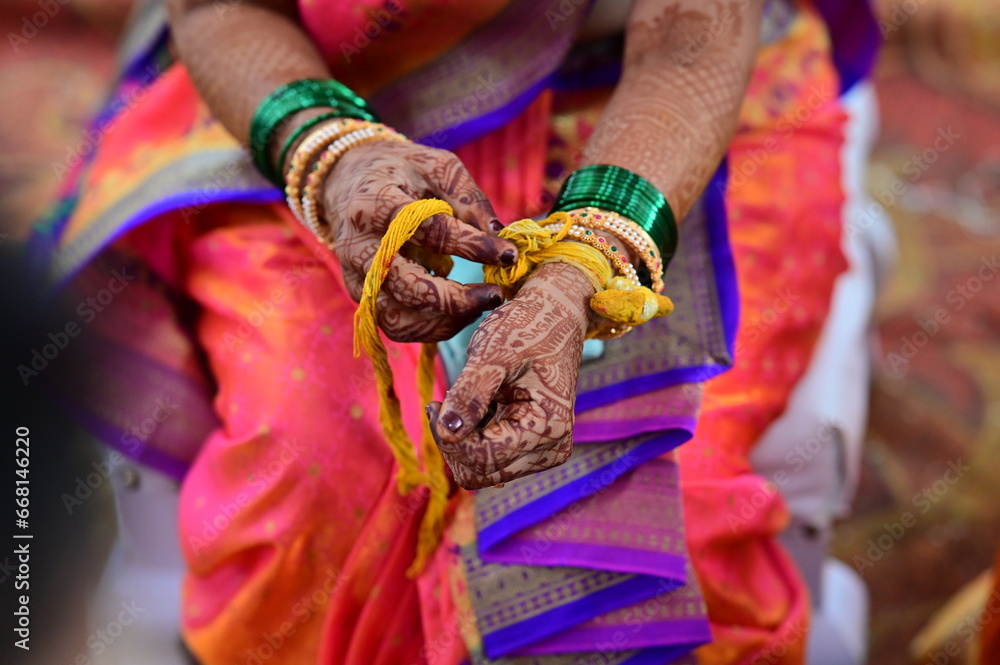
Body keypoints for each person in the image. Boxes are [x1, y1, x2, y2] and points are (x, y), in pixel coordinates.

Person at [32, 0, 879, 663]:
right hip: (316, 79)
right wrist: (332, 153)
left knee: (657, 537)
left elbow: (693, 33)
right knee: (300, 498)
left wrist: (588, 262)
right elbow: (221, 8)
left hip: (662, 93)